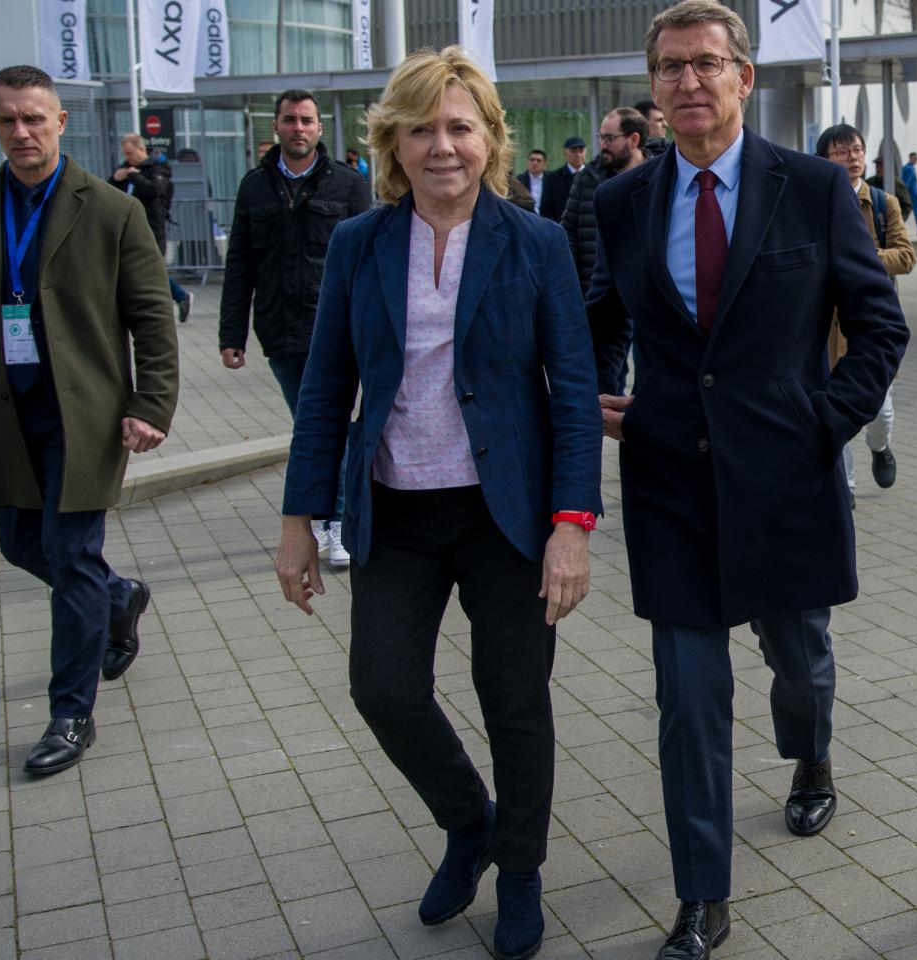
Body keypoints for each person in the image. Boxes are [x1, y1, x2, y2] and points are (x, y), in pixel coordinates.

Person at [586, 4, 907, 956]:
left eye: (707, 64)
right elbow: (600, 316)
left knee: (799, 665)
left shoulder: (811, 188)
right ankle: (702, 896)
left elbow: (880, 324)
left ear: (744, 78)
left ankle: (811, 757)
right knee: (688, 695)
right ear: (653, 87)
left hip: (787, 478)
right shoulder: (622, 202)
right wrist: (600, 396)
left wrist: (824, 421)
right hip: (669, 482)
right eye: (671, 67)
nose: (690, 82)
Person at [274, 46, 602, 960]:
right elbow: (324, 389)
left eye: (459, 126)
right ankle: (472, 823)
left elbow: (572, 394)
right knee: (381, 685)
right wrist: (299, 523)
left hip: (507, 517)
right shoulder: (360, 244)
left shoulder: (533, 243)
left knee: (514, 698)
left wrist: (570, 529)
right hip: (396, 510)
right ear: (392, 143)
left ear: (490, 139)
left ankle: (523, 870)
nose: (442, 145)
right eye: (421, 128)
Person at [0, 65, 180, 775]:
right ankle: (120, 596)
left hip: (84, 417)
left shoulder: (109, 210)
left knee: (69, 557)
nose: (21, 132)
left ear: (60, 121)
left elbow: (151, 318)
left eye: (34, 118)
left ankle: (70, 714)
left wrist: (150, 404)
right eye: (7, 119)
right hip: (2, 416)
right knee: (17, 542)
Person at [220, 89, 372, 569]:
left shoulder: (347, 185)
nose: (298, 128)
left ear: (320, 128)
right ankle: (333, 517)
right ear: (276, 128)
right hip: (281, 330)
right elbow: (239, 263)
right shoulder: (254, 187)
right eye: (290, 120)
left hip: (339, 331)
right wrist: (231, 334)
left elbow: (368, 264)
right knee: (310, 426)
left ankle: (341, 522)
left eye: (307, 120)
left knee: (335, 427)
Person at [816, 124, 914, 506]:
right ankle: (847, 488)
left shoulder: (883, 202)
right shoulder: (815, 201)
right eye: (842, 152)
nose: (852, 158)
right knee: (832, 405)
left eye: (856, 150)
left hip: (871, 323)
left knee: (879, 410)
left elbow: (905, 256)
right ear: (823, 159)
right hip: (825, 326)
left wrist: (858, 262)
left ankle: (880, 446)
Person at [562, 107, 651, 294]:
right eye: (601, 138)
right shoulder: (587, 178)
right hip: (596, 294)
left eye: (610, 138)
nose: (602, 146)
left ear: (634, 140)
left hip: (646, 298)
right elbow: (568, 231)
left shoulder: (659, 177)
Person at [110, 132, 194, 323]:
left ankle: (179, 297)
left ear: (141, 149)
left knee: (151, 269)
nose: (127, 158)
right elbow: (109, 193)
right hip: (127, 228)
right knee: (137, 270)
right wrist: (116, 178)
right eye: (124, 154)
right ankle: (175, 298)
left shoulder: (157, 169)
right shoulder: (127, 168)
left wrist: (134, 176)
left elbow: (154, 191)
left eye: (130, 153)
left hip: (152, 227)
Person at [540, 136, 585, 222]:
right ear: (565, 153)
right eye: (574, 151)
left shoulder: (594, 176)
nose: (578, 155)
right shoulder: (553, 178)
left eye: (581, 151)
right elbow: (545, 210)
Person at [865, 156, 912, 222]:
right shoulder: (870, 182)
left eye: (881, 166)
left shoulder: (896, 184)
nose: (879, 169)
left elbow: (907, 205)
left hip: (892, 222)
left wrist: (898, 221)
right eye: (877, 166)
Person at [516, 148, 551, 214]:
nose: (535, 163)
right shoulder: (519, 180)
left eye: (539, 160)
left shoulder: (552, 179)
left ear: (545, 164)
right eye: (532, 160)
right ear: (527, 162)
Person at [901, 150, 917, 235]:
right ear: (910, 158)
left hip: (912, 192)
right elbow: (907, 182)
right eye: (915, 158)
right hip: (912, 193)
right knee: (916, 211)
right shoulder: (909, 168)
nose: (916, 160)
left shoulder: (908, 167)